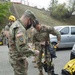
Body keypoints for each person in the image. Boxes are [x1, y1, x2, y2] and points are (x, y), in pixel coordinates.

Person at [8, 10, 36, 75]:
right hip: (18, 59)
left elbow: (17, 43)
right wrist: (34, 52)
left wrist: (27, 45)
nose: (30, 25)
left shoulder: (15, 24)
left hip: (15, 57)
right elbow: (22, 48)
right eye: (31, 22)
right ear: (29, 20)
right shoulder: (20, 28)